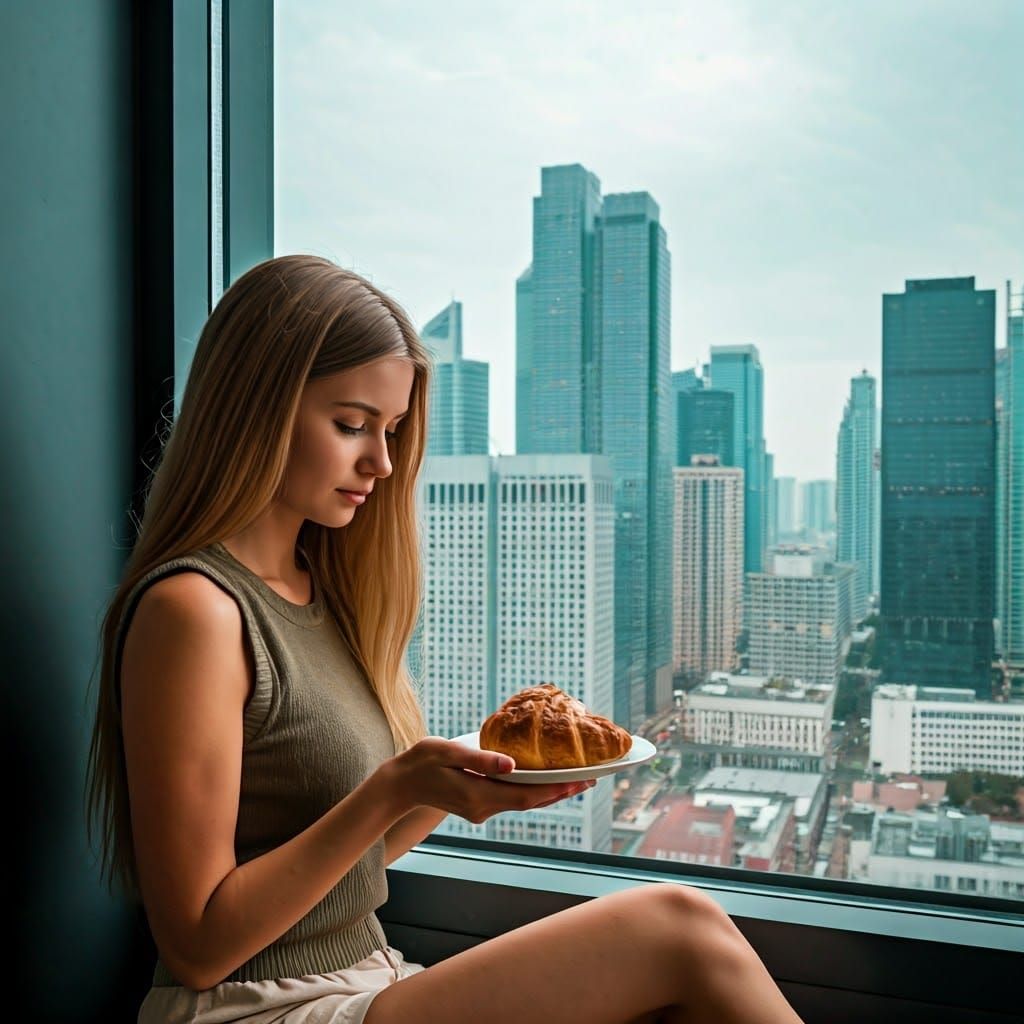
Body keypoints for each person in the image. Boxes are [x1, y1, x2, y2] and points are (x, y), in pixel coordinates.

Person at [87, 254, 804, 1024]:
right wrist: (394, 787)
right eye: (352, 424)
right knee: (679, 930)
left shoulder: (323, 594)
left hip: (369, 977)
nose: (383, 462)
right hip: (251, 1010)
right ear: (255, 406)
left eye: (391, 430)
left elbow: (342, 864)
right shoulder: (194, 611)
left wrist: (453, 793)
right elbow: (196, 943)